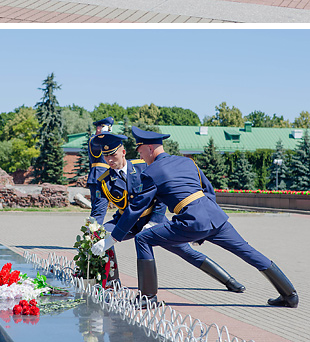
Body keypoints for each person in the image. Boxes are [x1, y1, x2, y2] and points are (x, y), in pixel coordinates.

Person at [114, 127, 298, 308]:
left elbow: (136, 208)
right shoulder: (187, 162)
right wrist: (206, 221)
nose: (141, 158)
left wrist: (114, 236)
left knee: (142, 239)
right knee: (248, 252)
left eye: (140, 153)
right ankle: (290, 295)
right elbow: (208, 190)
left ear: (149, 149)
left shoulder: (151, 172)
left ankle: (148, 297)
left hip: (190, 221)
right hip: (215, 216)